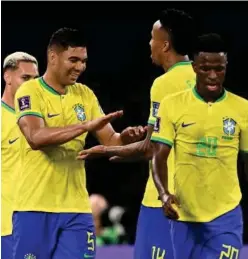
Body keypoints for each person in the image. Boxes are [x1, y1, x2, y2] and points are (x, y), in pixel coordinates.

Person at [13, 28, 145, 259]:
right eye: (73, 60)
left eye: (83, 61)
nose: (80, 67)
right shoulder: (29, 91)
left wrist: (127, 137)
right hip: (34, 207)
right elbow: (36, 138)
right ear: (52, 57)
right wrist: (84, 127)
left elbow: (111, 140)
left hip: (77, 209)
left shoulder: (85, 94)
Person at [78, 9, 196, 259]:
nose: (149, 43)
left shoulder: (164, 84)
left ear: (165, 45)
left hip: (164, 200)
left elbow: (151, 149)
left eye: (153, 38)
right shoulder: (205, 78)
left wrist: (106, 150)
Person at [151, 33, 248, 259]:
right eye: (205, 69)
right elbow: (159, 156)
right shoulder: (172, 105)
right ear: (194, 67)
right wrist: (164, 194)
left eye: (219, 69)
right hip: (184, 216)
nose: (213, 76)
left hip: (226, 214)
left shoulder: (242, 109)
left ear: (226, 67)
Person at [1, 51, 39, 259]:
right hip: (5, 227)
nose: (32, 84)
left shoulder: (39, 118)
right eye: (25, 78)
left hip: (38, 221)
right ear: (7, 76)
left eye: (35, 79)